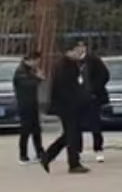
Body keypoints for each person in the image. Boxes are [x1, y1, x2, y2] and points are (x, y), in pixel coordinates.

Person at [42, 42, 92, 173]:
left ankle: (48, 156)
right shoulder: (63, 66)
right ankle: (73, 164)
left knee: (70, 135)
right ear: (70, 51)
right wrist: (78, 99)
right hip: (67, 106)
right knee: (72, 134)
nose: (81, 53)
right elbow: (65, 88)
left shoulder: (72, 64)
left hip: (73, 105)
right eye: (78, 50)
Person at [13, 50, 45, 164]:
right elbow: (28, 85)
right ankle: (23, 155)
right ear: (31, 60)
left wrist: (38, 77)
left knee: (36, 129)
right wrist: (38, 78)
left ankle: (39, 152)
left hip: (32, 103)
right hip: (25, 104)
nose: (37, 64)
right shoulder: (20, 72)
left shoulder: (30, 70)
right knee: (25, 130)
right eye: (36, 61)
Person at [81, 45, 111, 162]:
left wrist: (94, 89)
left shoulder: (93, 60)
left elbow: (105, 75)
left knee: (95, 123)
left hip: (93, 96)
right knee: (76, 124)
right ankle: (76, 150)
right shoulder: (71, 62)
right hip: (78, 96)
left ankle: (98, 148)